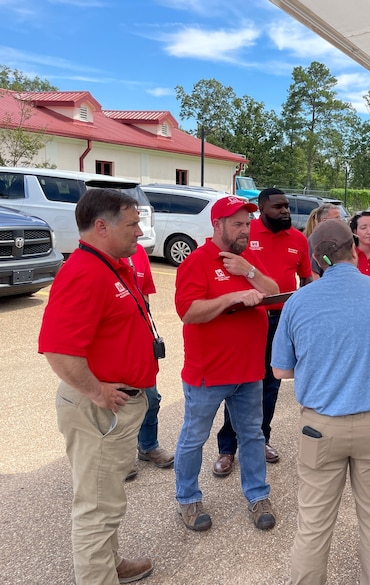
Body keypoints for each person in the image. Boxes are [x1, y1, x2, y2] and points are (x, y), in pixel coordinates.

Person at [272, 219, 370, 585]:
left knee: (313, 525)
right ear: (353, 248)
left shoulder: (298, 302)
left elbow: (280, 371)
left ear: (318, 261)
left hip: (320, 426)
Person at [39, 188, 159, 584]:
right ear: (102, 226)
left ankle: (110, 564)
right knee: (95, 507)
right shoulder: (85, 273)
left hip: (114, 406)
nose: (139, 233)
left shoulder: (111, 265)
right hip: (101, 409)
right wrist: (97, 392)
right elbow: (58, 350)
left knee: (107, 499)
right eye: (132, 224)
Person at [174, 196, 280, 532]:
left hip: (249, 372)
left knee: (251, 436)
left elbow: (274, 291)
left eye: (247, 224)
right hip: (210, 373)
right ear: (217, 225)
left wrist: (248, 272)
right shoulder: (197, 262)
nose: (245, 230)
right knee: (194, 437)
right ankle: (188, 500)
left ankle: (257, 495)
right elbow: (189, 312)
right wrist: (231, 297)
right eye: (237, 224)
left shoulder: (247, 259)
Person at [213, 188, 312, 475]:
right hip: (248, 318)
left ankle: (261, 440)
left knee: (270, 385)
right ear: (261, 208)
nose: (285, 211)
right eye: (278, 206)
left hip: (282, 322)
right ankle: (227, 448)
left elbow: (305, 278)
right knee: (240, 383)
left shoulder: (298, 239)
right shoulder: (245, 233)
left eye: (287, 207)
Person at [126, 244, 175, 481]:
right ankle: (121, 457)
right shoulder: (97, 260)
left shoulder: (139, 253)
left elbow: (144, 296)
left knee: (151, 398)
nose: (138, 230)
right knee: (120, 404)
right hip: (114, 347)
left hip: (141, 342)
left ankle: (148, 445)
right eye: (131, 223)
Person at [309, 203, 344, 278]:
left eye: (340, 218)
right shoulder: (316, 240)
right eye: (336, 218)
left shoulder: (339, 238)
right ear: (324, 221)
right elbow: (313, 272)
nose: (340, 221)